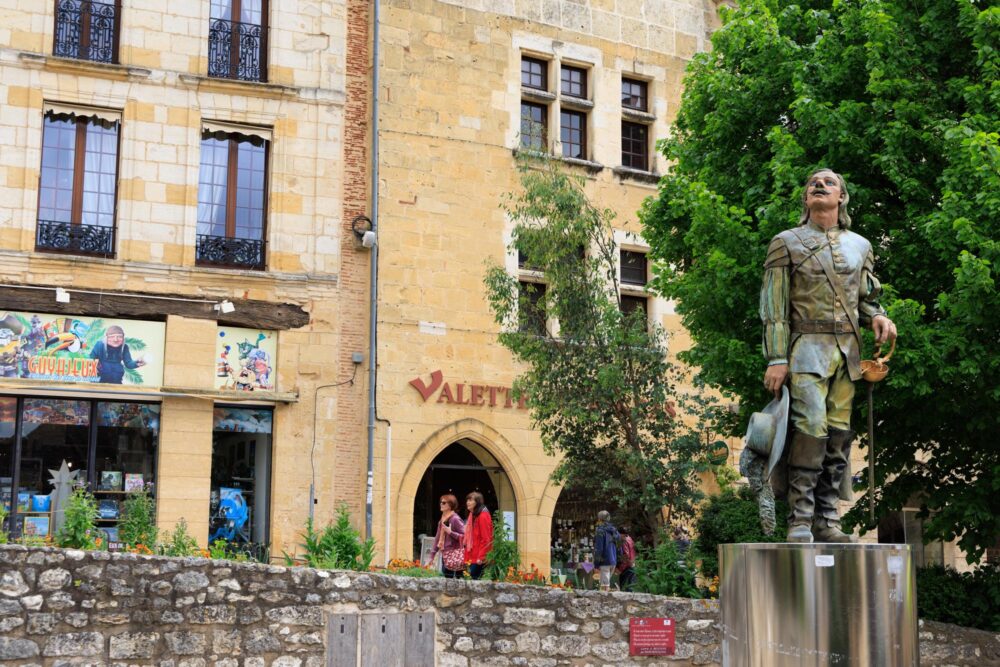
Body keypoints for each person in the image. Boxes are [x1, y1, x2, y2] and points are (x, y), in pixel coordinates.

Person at [761, 168, 897, 543]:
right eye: (812, 184)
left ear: (842, 197)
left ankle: (827, 518)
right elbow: (774, 308)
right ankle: (800, 518)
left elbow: (866, 299)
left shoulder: (861, 246)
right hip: (805, 349)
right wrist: (776, 357)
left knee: (839, 436)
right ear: (806, 199)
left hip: (848, 354)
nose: (819, 186)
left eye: (829, 182)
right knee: (811, 427)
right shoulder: (785, 242)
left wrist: (880, 317)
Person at [428, 494, 465, 578]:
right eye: (441, 502)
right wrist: (432, 556)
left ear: (450, 505)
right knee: (447, 580)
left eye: (444, 502)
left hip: (456, 555)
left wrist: (450, 532)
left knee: (457, 581)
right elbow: (437, 538)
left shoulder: (455, 519)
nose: (441, 504)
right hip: (446, 554)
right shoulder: (442, 519)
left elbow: (465, 537)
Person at [463, 491, 493, 580]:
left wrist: (481, 557)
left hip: (478, 558)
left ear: (477, 502)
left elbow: (486, 538)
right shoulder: (473, 515)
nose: (467, 502)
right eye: (467, 500)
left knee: (474, 581)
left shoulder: (483, 516)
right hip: (472, 556)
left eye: (471, 500)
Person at [593, 510, 620, 592]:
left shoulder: (600, 530)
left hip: (604, 561)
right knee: (606, 586)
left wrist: (596, 565)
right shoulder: (614, 530)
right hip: (613, 561)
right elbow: (618, 542)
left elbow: (599, 548)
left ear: (599, 519)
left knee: (604, 588)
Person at [615, 525, 637, 592]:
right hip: (632, 564)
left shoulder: (624, 541)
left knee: (624, 588)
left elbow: (626, 556)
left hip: (626, 567)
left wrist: (620, 569)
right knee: (631, 587)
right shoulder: (630, 538)